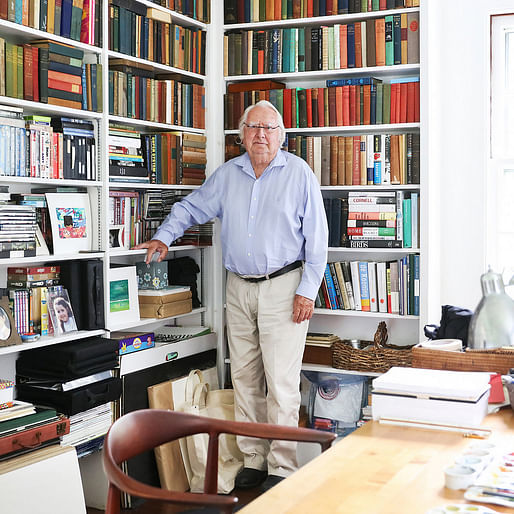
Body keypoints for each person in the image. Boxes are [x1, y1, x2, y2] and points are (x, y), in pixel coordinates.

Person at [134, 100, 328, 491]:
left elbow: (318, 239)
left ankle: (283, 467)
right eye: (254, 127)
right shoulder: (227, 175)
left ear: (282, 135)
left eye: (269, 128)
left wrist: (307, 290)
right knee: (244, 378)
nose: (261, 135)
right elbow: (192, 208)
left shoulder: (299, 174)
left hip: (284, 287)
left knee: (282, 383)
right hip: (238, 287)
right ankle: (254, 458)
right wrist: (164, 235)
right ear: (241, 134)